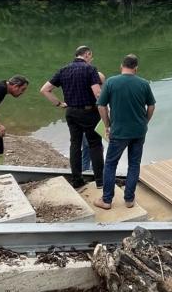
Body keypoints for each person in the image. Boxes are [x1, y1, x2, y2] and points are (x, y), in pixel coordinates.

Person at [96, 54, 156, 210]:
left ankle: (107, 200)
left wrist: (107, 125)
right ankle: (129, 199)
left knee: (110, 164)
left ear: (121, 66)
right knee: (134, 164)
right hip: (139, 131)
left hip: (119, 131)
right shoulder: (143, 84)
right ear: (136, 68)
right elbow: (151, 106)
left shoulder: (111, 82)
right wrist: (145, 122)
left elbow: (101, 106)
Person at [41, 46, 105, 189]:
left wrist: (59, 104)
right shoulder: (90, 69)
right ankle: (100, 181)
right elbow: (98, 94)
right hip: (89, 112)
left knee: (75, 144)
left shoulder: (63, 70)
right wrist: (106, 110)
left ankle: (77, 180)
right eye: (91, 56)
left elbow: (44, 90)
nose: (91, 59)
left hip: (71, 112)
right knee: (95, 145)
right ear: (87, 55)